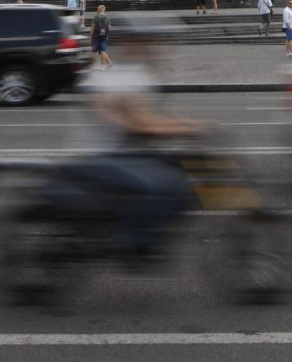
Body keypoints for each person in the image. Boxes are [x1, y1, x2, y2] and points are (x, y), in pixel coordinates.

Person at [67, 29, 205, 268]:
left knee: (182, 171)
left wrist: (186, 125)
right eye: (147, 42)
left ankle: (151, 231)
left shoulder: (136, 75)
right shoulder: (106, 78)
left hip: (128, 154)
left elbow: (151, 116)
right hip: (102, 157)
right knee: (161, 184)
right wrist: (186, 129)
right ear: (128, 44)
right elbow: (138, 123)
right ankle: (134, 242)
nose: (155, 48)